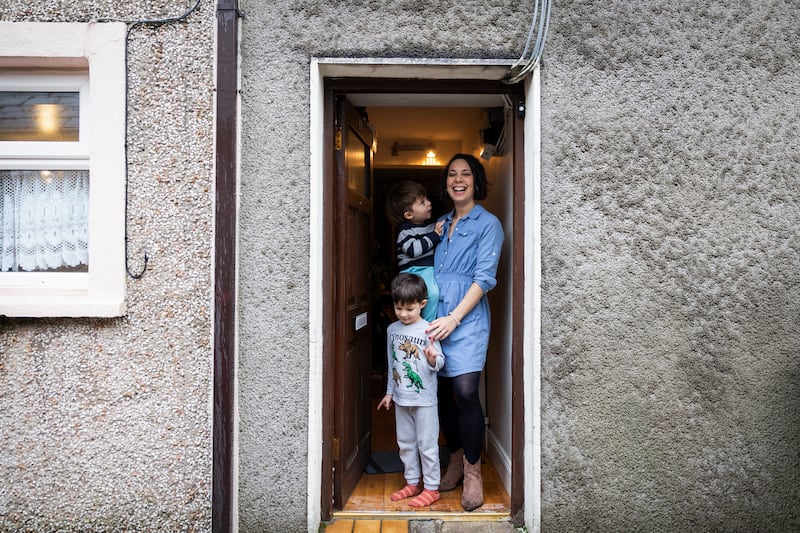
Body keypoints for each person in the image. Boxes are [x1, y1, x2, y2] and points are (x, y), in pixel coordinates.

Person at [426, 153, 504, 511]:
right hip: (433, 317)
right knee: (442, 394)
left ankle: (474, 472)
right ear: (446, 183)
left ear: (476, 181)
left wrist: (454, 318)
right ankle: (455, 460)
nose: (458, 180)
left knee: (466, 391)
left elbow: (484, 279)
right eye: (452, 174)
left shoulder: (489, 224)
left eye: (466, 174)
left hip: (466, 318)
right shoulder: (440, 224)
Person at [377, 273, 445, 507]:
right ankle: (412, 482)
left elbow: (440, 362)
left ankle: (432, 488)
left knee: (427, 445)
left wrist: (432, 358)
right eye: (399, 308)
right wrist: (389, 393)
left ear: (422, 304)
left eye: (410, 309)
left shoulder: (429, 330)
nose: (404, 314)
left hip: (424, 400)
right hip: (401, 398)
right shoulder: (392, 330)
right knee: (405, 443)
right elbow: (392, 363)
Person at [385, 180, 444, 322]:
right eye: (422, 202)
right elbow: (413, 250)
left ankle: (425, 324)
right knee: (420, 298)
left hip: (428, 270)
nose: (429, 203)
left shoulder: (431, 227)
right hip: (411, 273)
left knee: (433, 295)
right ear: (409, 215)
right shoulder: (405, 231)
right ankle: (422, 325)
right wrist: (434, 235)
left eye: (426, 199)